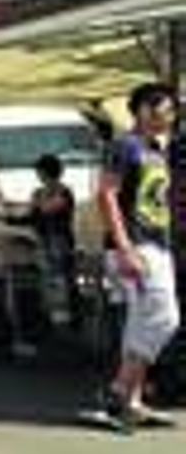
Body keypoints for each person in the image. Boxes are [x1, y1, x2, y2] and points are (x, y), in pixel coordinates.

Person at [94, 82, 179, 432]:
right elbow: (106, 195)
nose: (172, 116)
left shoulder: (156, 150)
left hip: (157, 243)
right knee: (163, 318)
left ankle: (131, 399)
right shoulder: (125, 145)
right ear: (144, 109)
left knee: (141, 321)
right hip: (136, 244)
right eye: (166, 109)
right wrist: (125, 246)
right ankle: (118, 392)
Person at [28, 153, 76, 323]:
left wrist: (38, 203)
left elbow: (47, 209)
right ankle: (50, 312)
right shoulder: (40, 192)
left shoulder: (63, 192)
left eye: (39, 171)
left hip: (59, 239)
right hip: (44, 239)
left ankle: (64, 313)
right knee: (47, 277)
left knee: (60, 276)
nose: (37, 175)